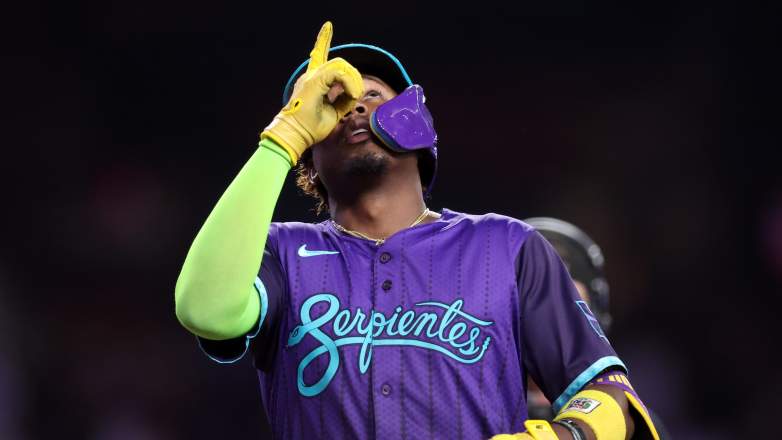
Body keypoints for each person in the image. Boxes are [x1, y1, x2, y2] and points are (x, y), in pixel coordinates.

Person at [174, 22, 661, 440]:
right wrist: (283, 137)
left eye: (371, 96)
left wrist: (563, 435)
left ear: (417, 124)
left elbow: (610, 396)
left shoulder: (507, 246)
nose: (353, 109)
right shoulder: (281, 251)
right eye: (331, 108)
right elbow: (207, 311)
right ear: (310, 157)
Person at [523, 217, 670, 439]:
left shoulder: (630, 427)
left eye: (567, 313)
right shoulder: (474, 410)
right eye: (539, 310)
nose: (551, 327)